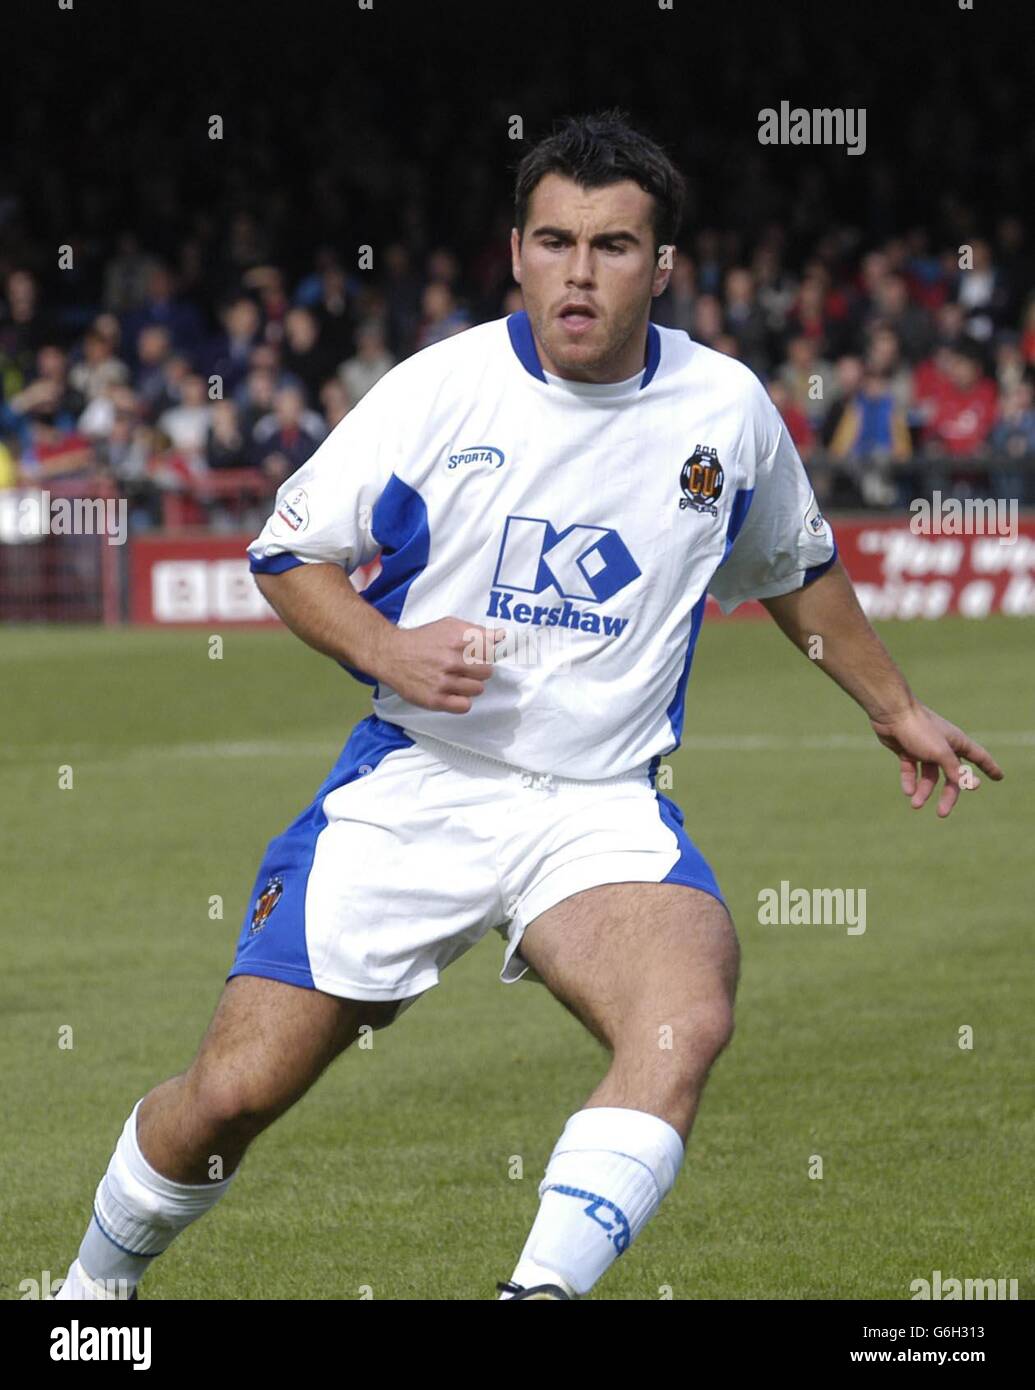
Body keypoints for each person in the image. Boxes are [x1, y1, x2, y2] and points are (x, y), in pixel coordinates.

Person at [53, 111, 1003, 1304]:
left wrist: (893, 705)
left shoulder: (727, 412)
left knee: (683, 1017)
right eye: (555, 241)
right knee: (230, 1096)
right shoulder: (440, 391)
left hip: (597, 809)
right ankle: (83, 1302)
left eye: (612, 247)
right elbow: (288, 552)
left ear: (661, 269)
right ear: (517, 251)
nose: (579, 272)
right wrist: (391, 651)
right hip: (417, 785)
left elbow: (794, 570)